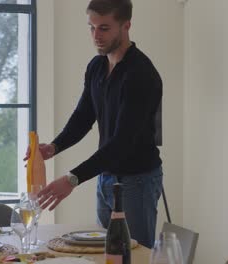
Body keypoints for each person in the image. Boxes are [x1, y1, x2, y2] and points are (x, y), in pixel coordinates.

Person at [31, 0, 163, 248]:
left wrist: (72, 179)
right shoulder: (97, 66)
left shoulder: (140, 74)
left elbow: (121, 144)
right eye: (91, 27)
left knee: (133, 254)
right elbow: (83, 116)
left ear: (126, 25)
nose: (96, 36)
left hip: (137, 181)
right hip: (106, 177)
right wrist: (54, 147)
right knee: (106, 251)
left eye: (104, 28)